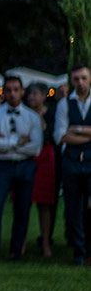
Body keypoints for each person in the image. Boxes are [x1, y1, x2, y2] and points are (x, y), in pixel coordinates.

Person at [0, 76, 42, 263]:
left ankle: (16, 251)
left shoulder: (32, 117)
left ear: (22, 92)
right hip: (1, 166)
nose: (12, 93)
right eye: (8, 90)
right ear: (3, 92)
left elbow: (36, 147)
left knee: (22, 209)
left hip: (25, 165)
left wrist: (4, 140)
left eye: (16, 89)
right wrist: (17, 141)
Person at [53, 64, 91, 266]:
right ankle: (78, 251)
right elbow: (61, 136)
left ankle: (89, 250)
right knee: (73, 208)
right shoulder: (64, 105)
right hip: (71, 163)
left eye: (84, 78)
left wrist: (77, 129)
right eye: (76, 79)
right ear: (71, 80)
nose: (80, 83)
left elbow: (69, 133)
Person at [26, 82, 58, 257]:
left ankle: (46, 241)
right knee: (23, 200)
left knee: (45, 202)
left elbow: (52, 135)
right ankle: (20, 241)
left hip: (46, 156)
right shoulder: (23, 113)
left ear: (44, 95)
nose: (32, 97)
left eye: (36, 93)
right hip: (27, 157)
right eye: (30, 94)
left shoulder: (51, 114)